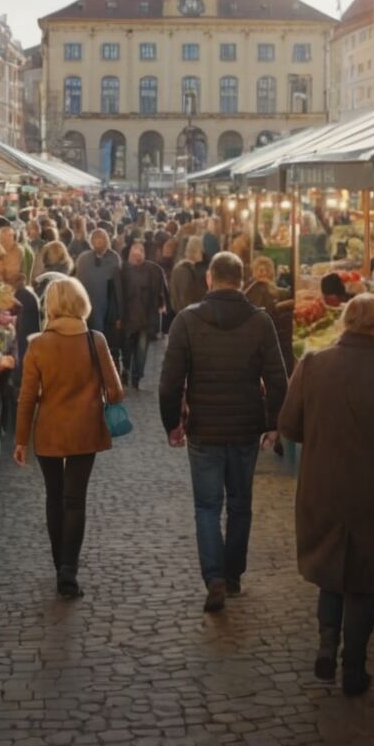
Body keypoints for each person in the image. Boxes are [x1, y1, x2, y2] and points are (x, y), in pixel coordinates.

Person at [278, 293, 374, 696]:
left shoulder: (312, 364)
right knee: (364, 579)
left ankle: (327, 643)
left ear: (345, 319)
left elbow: (288, 425)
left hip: (322, 484)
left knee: (330, 570)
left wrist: (322, 439)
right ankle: (354, 667)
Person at [159, 252, 289, 613]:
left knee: (206, 506)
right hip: (245, 425)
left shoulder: (186, 320)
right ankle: (233, 576)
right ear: (242, 278)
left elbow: (169, 383)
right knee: (240, 504)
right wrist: (273, 423)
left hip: (204, 428)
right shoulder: (260, 321)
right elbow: (278, 379)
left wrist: (173, 423)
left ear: (210, 279)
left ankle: (213, 577)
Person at [14, 278, 124, 599]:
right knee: (75, 500)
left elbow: (26, 398)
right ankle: (68, 571)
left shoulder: (38, 345)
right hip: (85, 429)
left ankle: (58, 561)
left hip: (49, 430)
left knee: (54, 497)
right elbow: (115, 391)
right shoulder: (96, 340)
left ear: (51, 305)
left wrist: (21, 440)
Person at [119, 241, 167, 390]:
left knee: (141, 351)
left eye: (140, 251)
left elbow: (158, 294)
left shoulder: (152, 270)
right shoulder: (122, 271)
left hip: (145, 318)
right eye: (134, 252)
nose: (137, 255)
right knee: (126, 349)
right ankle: (126, 372)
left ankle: (136, 377)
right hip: (128, 317)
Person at [245, 256, 295, 377]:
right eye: (259, 269)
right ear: (254, 272)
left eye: (266, 269)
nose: (263, 272)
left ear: (271, 272)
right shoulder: (249, 290)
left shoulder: (281, 292)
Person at [73, 229, 122, 338]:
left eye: (101, 238)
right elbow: (78, 282)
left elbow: (118, 287)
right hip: (86, 302)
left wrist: (118, 312)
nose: (98, 241)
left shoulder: (113, 258)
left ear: (107, 241)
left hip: (105, 304)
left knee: (100, 335)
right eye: (95, 238)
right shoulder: (84, 259)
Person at [169, 236, 207, 315]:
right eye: (200, 252)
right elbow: (185, 298)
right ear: (195, 252)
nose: (202, 255)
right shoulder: (185, 271)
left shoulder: (182, 268)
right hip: (187, 317)